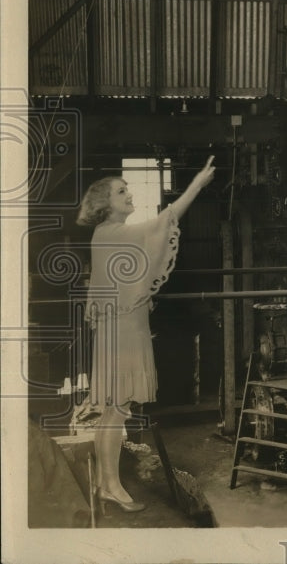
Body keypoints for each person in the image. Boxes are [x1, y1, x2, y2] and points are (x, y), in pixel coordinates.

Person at [76, 156, 215, 514]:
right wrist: (197, 184)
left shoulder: (106, 235)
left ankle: (105, 481)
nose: (128, 194)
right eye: (121, 191)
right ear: (105, 204)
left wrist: (140, 296)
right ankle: (110, 486)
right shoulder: (115, 232)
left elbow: (120, 278)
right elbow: (164, 222)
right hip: (122, 330)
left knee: (113, 412)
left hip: (122, 325)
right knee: (116, 411)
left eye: (127, 189)